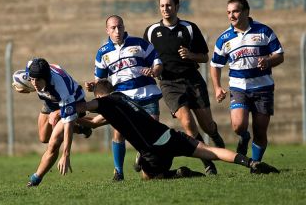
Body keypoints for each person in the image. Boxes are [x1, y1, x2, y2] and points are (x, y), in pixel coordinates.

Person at [27, 79, 279, 187]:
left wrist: (62, 112)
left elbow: (83, 108)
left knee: (148, 177)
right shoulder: (122, 100)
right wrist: (84, 125)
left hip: (153, 149)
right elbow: (94, 122)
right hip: (169, 135)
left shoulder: (105, 101)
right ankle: (251, 163)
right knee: (210, 152)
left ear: (99, 94)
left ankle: (176, 175)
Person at [143, 0, 224, 175]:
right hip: (169, 84)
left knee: (207, 125)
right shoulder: (151, 31)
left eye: (169, 5)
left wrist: (190, 55)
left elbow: (204, 56)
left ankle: (214, 135)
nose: (165, 9)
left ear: (177, 6)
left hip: (192, 80)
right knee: (188, 123)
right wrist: (152, 70)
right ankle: (208, 163)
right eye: (162, 6)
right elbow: (146, 58)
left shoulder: (189, 27)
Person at [85, 15, 163, 181]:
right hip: (122, 98)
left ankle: (142, 157)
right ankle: (118, 172)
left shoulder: (140, 44)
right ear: (107, 30)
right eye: (113, 28)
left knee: (153, 133)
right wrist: (93, 86)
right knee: (118, 132)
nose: (117, 31)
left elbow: (157, 63)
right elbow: (101, 82)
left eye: (119, 27)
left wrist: (154, 71)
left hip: (147, 94)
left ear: (124, 27)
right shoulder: (102, 53)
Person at [210, 0, 284, 168]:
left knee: (260, 130)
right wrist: (217, 87)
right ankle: (243, 136)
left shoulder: (264, 31)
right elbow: (215, 65)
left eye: (235, 11)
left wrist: (268, 61)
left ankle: (256, 164)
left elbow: (279, 56)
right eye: (228, 12)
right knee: (238, 125)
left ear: (246, 12)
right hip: (239, 88)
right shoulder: (224, 38)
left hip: (263, 87)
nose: (231, 15)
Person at [25, 58, 100, 187]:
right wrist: (24, 87)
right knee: (44, 137)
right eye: (32, 79)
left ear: (46, 78)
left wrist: (66, 155)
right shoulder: (32, 66)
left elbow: (68, 122)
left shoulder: (62, 89)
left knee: (54, 143)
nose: (35, 83)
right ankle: (81, 127)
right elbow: (25, 77)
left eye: (38, 80)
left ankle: (35, 179)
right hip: (50, 100)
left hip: (73, 102)